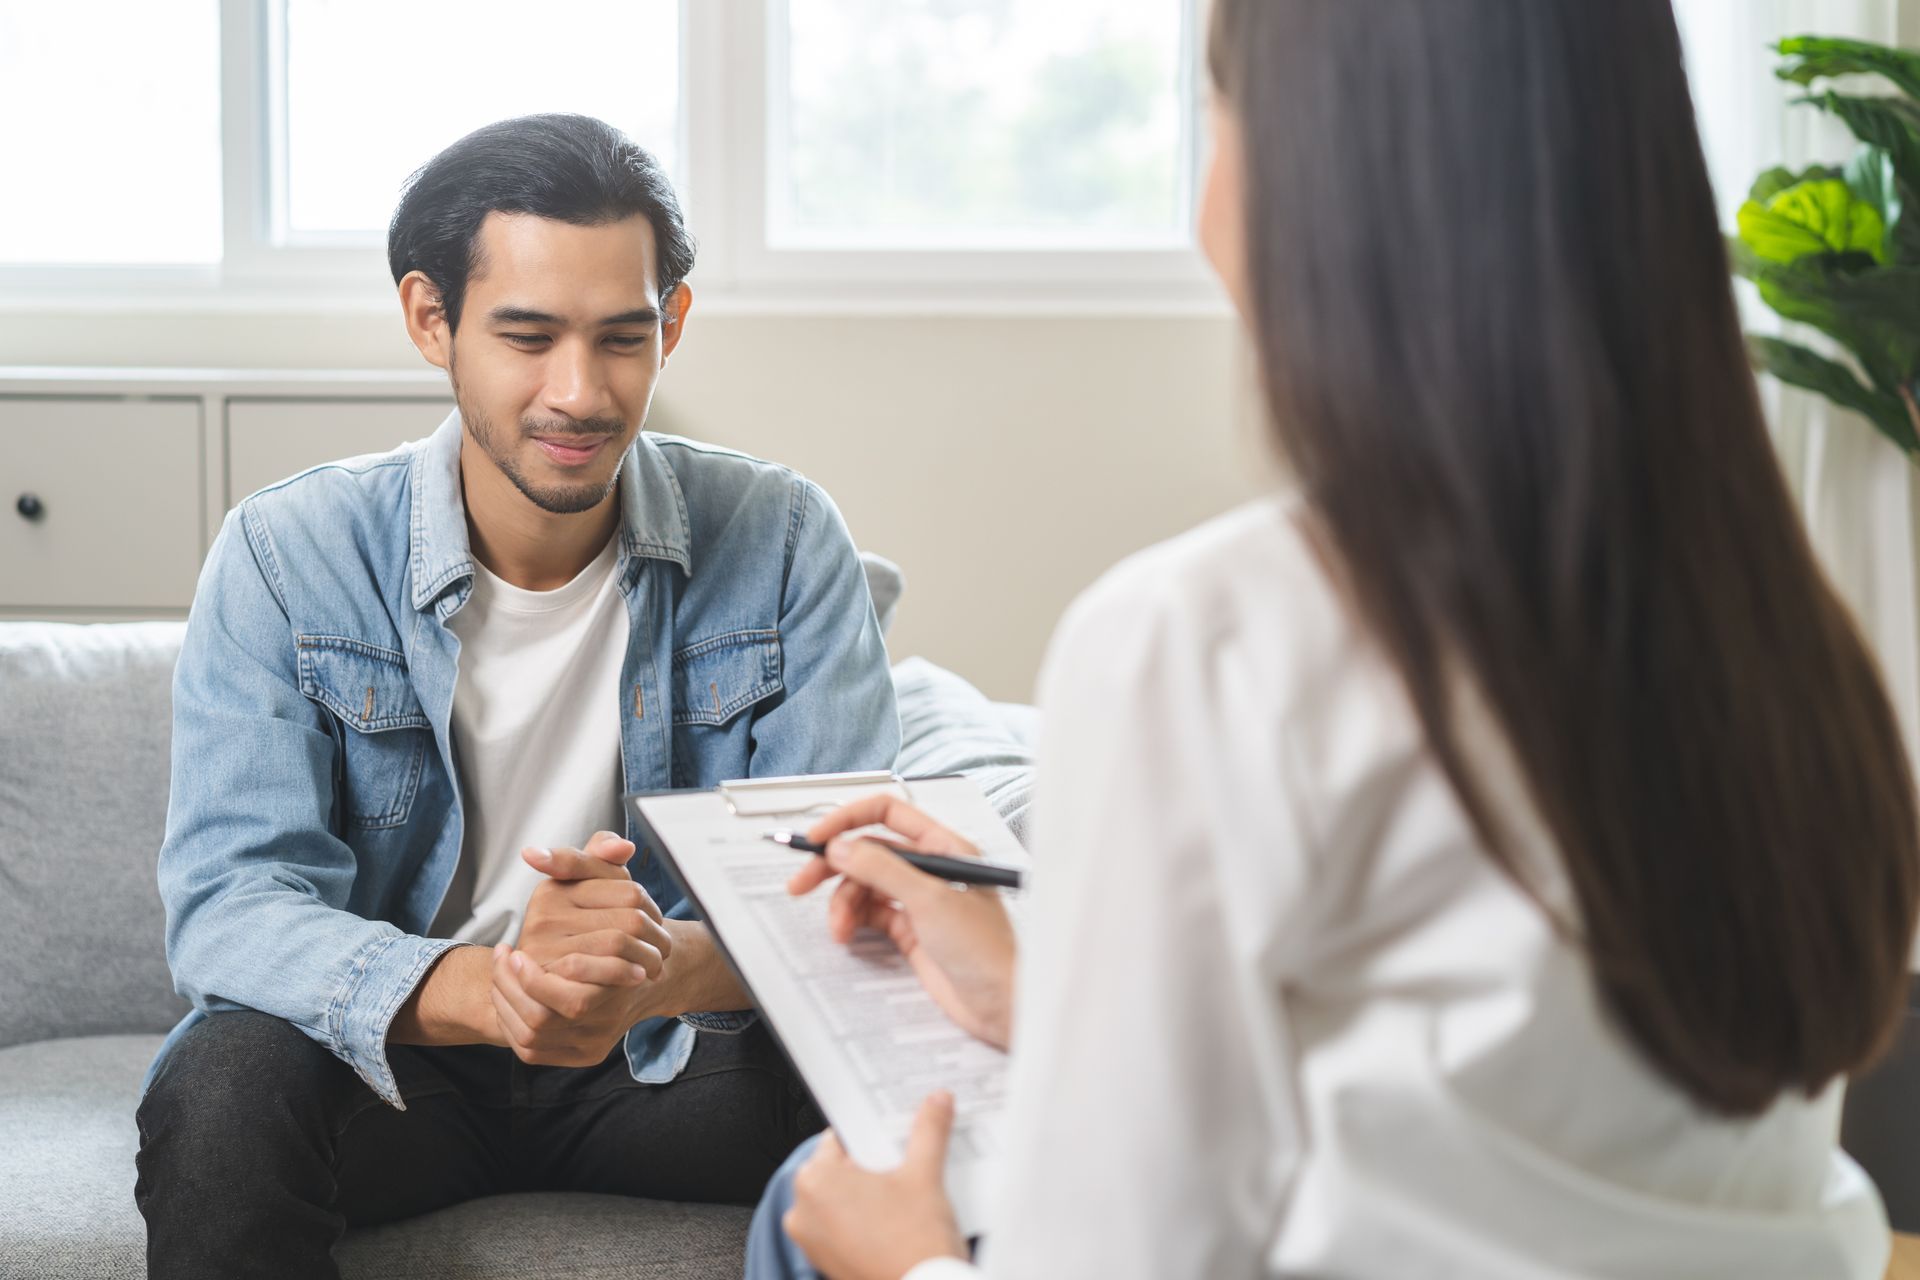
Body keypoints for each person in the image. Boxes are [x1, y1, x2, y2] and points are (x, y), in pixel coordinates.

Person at [743, 2, 1920, 1276]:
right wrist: (1059, 997)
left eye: (1221, 116)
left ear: (1322, 182)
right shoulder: (1786, 632)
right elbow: (1490, 1123)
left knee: (812, 1205)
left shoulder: (1198, 640)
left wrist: (909, 1261)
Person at [134, 113, 898, 1278]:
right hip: (406, 1068)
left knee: (899, 1060)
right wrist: (498, 989)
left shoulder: (786, 539)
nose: (580, 393)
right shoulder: (289, 553)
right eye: (528, 336)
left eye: (621, 337)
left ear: (672, 324)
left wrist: (647, 968)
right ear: (430, 318)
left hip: (675, 1067)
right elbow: (231, 906)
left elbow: (842, 901)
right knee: (223, 1075)